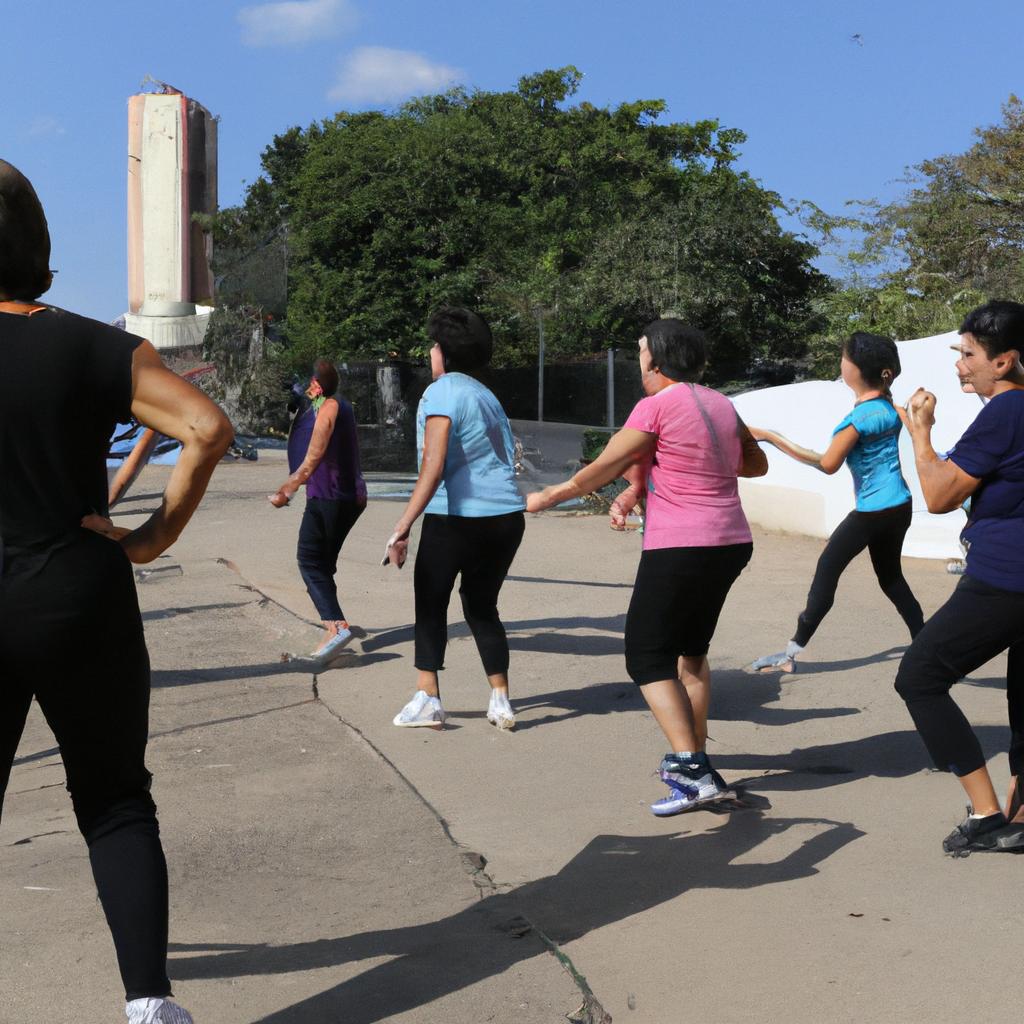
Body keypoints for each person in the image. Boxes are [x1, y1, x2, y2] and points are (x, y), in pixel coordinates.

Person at [0, 161, 233, 1023]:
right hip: (79, 596)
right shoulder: (94, 344)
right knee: (113, 800)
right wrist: (152, 538)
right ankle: (148, 1004)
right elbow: (207, 428)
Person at [527, 319, 768, 815]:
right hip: (730, 541)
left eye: (640, 351)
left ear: (655, 359)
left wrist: (549, 495)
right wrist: (655, 480)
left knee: (645, 656)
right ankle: (697, 761)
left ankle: (689, 768)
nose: (638, 359)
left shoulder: (655, 405)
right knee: (692, 654)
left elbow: (604, 466)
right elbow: (754, 466)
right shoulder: (722, 403)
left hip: (682, 545)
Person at [894, 300, 1024, 854]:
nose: (959, 366)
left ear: (1005, 361)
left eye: (969, 354)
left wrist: (920, 433)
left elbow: (940, 495)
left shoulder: (1005, 412)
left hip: (1006, 577)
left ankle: (988, 811)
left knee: (919, 677)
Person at [748, 333, 924, 672]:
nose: (841, 363)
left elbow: (827, 464)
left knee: (826, 573)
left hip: (872, 512)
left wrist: (771, 437)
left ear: (854, 371)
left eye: (844, 359)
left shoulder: (859, 419)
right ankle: (927, 643)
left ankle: (791, 652)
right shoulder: (890, 407)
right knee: (891, 579)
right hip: (899, 506)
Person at [384, 308, 525, 730]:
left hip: (458, 516)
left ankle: (428, 697)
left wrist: (402, 525)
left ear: (443, 353)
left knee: (430, 602)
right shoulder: (486, 394)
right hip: (506, 518)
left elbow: (434, 463)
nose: (430, 352)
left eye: (433, 346)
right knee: (482, 605)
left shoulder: (442, 391)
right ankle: (500, 699)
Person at [269, 359, 367, 660]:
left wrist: (289, 487)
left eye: (309, 384)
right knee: (323, 564)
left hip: (330, 497)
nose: (306, 390)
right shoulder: (340, 404)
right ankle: (334, 627)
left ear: (318, 385)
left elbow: (314, 454)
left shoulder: (329, 409)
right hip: (351, 498)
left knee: (309, 560)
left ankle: (336, 627)